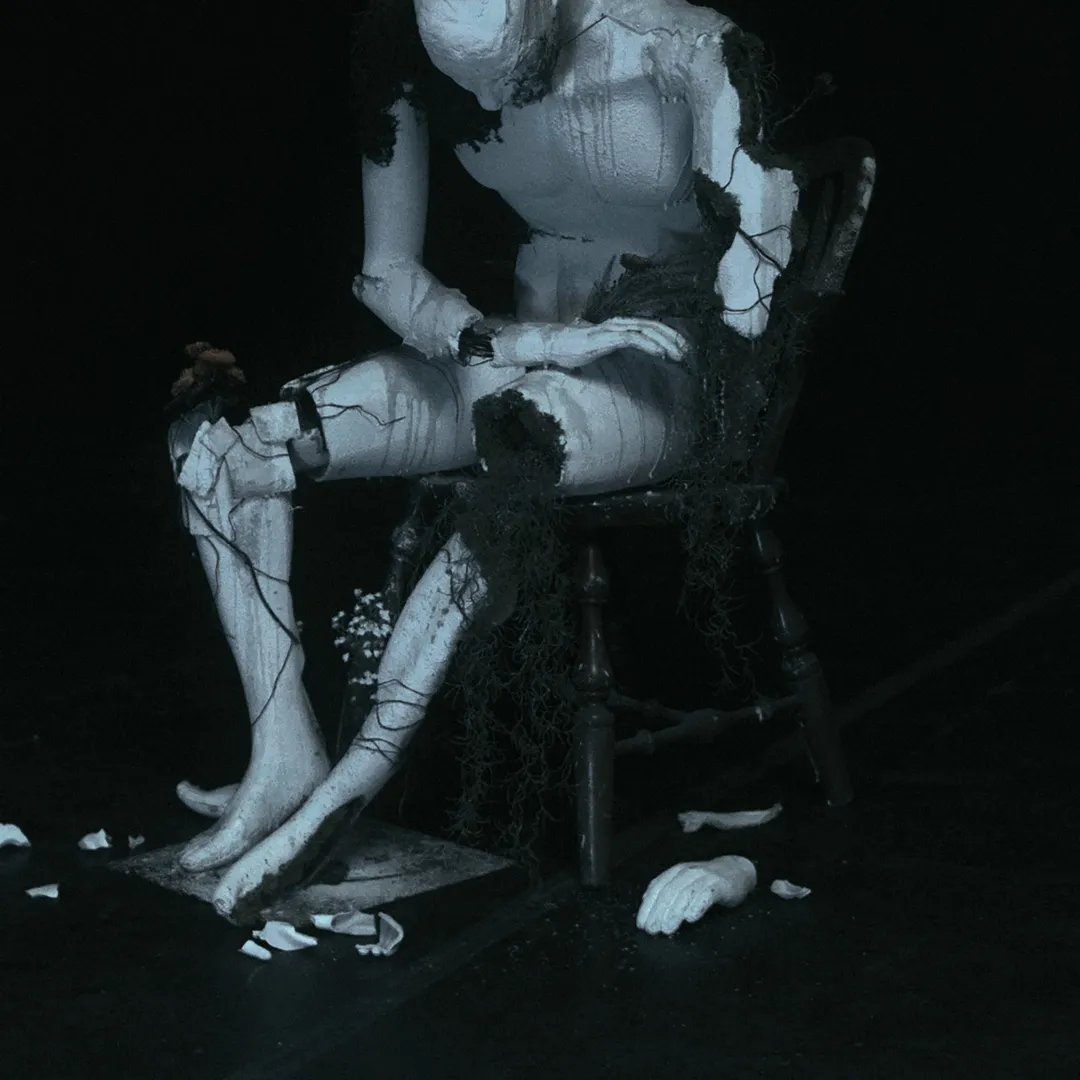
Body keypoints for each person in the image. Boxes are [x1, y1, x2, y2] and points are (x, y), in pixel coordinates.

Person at [167, 0, 800, 922]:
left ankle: (357, 778)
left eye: (504, 65)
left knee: (521, 444)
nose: (491, 98)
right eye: (462, 77)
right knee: (233, 445)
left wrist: (674, 308)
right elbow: (388, 272)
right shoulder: (397, 45)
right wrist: (512, 343)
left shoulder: (681, 49)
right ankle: (283, 753)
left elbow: (754, 284)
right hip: (517, 348)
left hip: (663, 367)